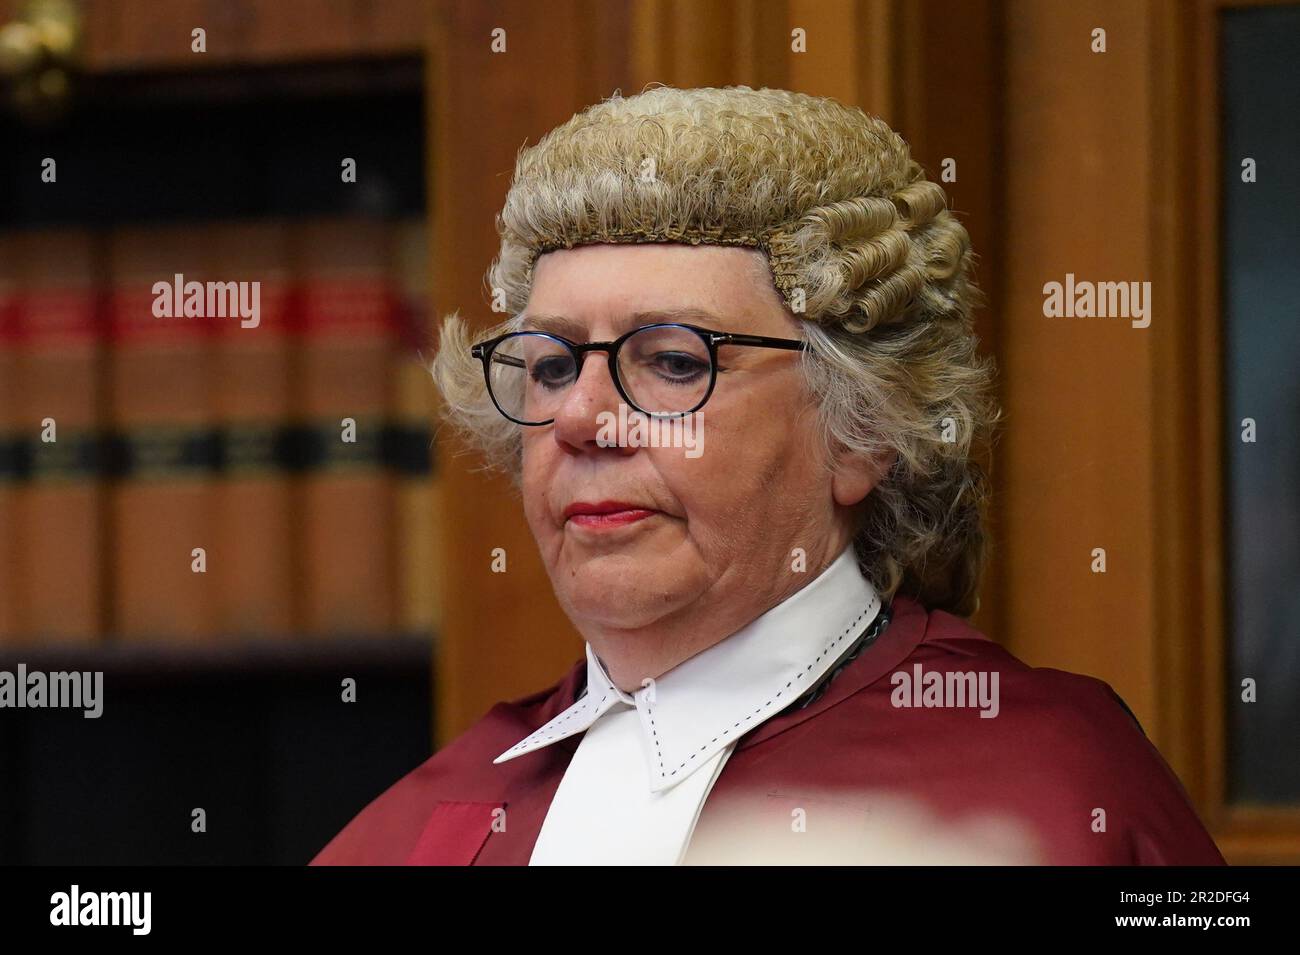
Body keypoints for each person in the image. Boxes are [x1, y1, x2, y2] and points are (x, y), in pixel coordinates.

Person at [311, 85, 1225, 865]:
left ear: (863, 426)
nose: (583, 418)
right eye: (552, 364)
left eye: (672, 360)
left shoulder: (1050, 789)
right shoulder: (423, 823)